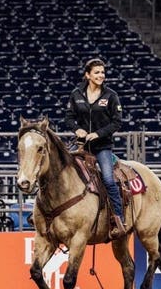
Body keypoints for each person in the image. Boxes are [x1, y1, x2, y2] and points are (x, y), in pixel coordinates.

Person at [65, 58, 125, 238]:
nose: (101, 75)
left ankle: (118, 218)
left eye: (102, 72)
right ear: (87, 75)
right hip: (82, 147)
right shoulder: (76, 94)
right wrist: (77, 129)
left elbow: (117, 122)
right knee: (63, 174)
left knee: (107, 179)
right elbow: (68, 117)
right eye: (97, 72)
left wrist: (98, 134)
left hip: (102, 147)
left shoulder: (111, 95)